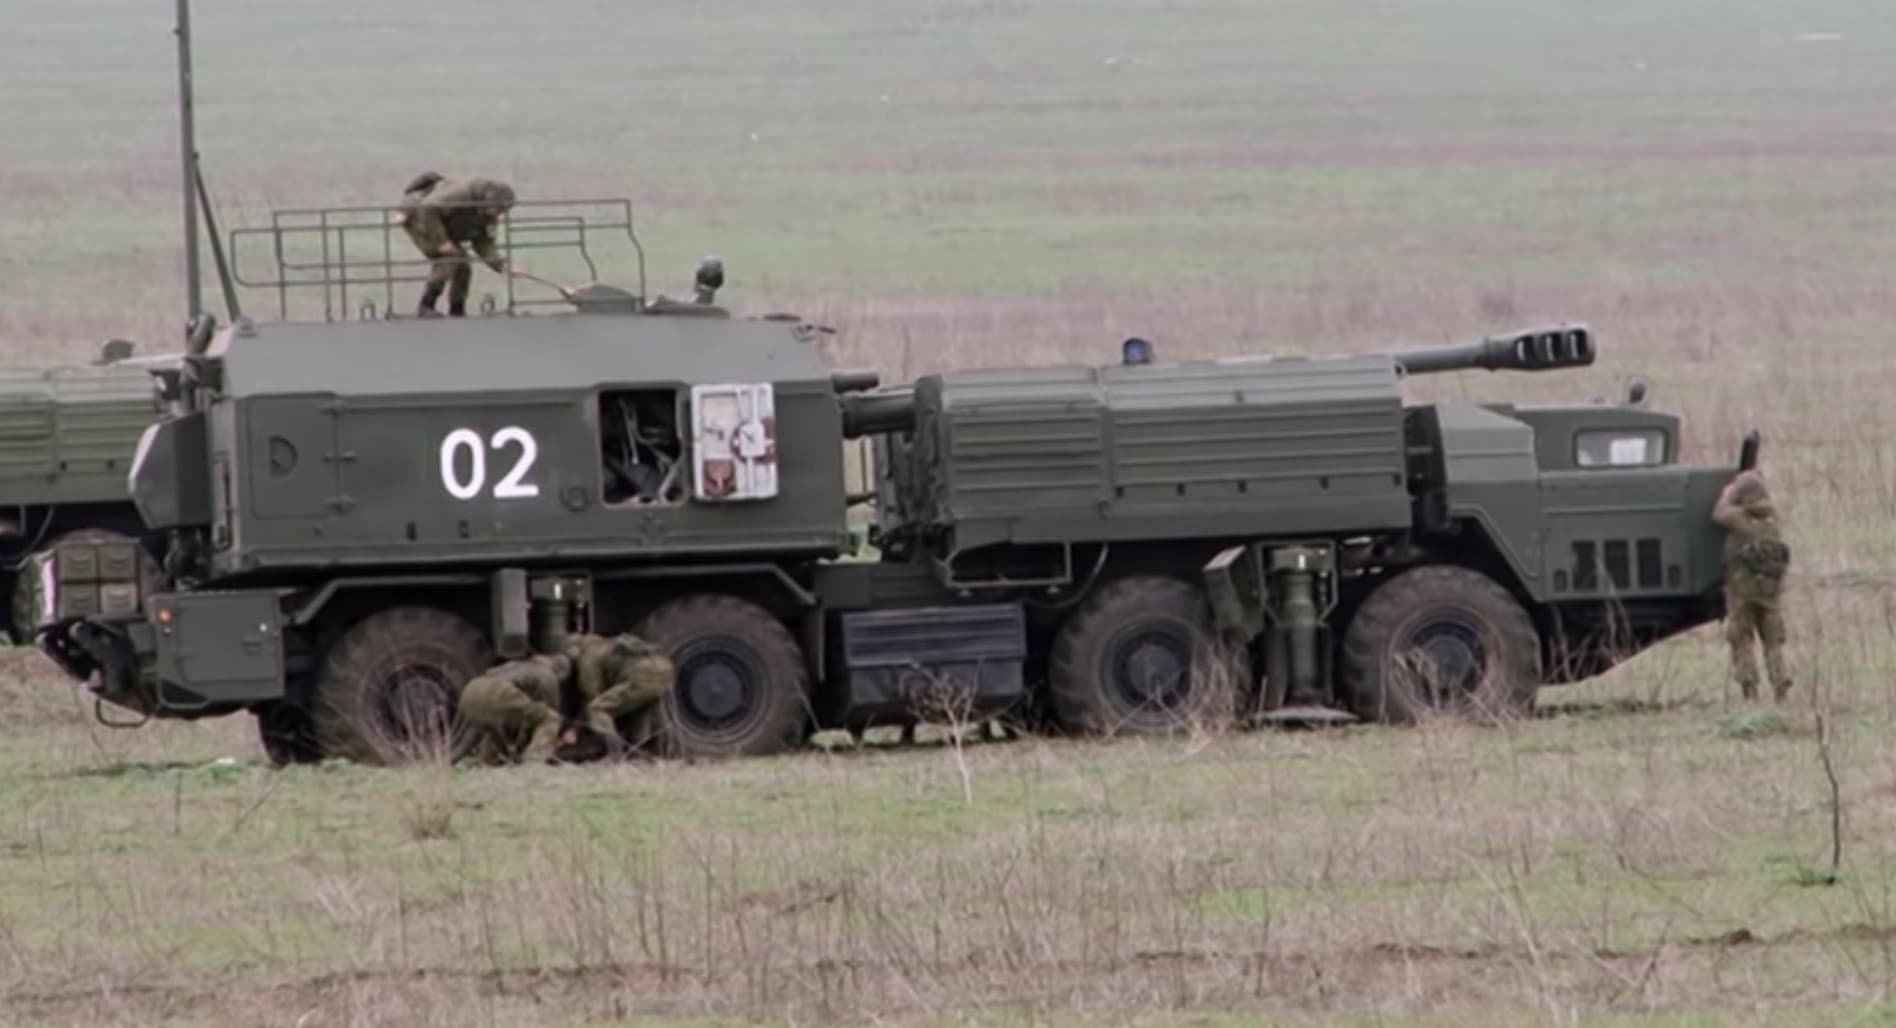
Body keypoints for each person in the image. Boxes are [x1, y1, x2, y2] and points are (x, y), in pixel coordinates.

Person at [1713, 469, 1792, 701]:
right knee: (1774, 643)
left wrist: (1728, 493)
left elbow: (1718, 513)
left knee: (1742, 639)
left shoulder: (1740, 520)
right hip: (1770, 593)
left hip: (1742, 592)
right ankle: (1780, 684)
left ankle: (1749, 688)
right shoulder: (1772, 520)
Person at [396, 173, 517, 318]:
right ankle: (426, 305)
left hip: (443, 225)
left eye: (503, 210)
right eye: (498, 208)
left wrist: (501, 264)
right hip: (422, 218)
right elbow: (428, 208)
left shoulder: (487, 216)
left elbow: (484, 243)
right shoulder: (461, 194)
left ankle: (457, 308)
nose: (499, 214)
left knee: (463, 265)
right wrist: (441, 241)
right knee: (451, 257)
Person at [561, 632, 676, 755]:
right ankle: (643, 750)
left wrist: (575, 728)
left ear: (574, 649)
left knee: (597, 708)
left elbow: (590, 693)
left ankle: (614, 753)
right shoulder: (609, 644)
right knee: (640, 709)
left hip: (641, 677)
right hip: (666, 671)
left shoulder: (588, 657)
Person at [458, 650, 574, 764]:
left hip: (470, 690)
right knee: (551, 718)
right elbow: (550, 711)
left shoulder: (519, 665)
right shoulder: (547, 674)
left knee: (497, 725)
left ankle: (490, 760)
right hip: (495, 690)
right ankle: (534, 763)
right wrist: (560, 734)